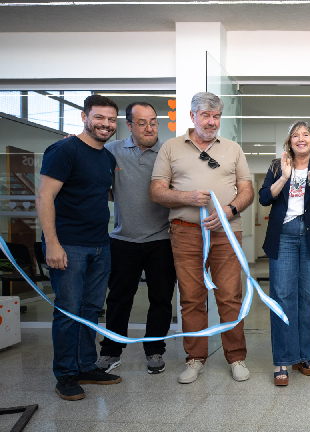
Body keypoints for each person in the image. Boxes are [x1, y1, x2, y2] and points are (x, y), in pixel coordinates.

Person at [150, 92, 255, 384]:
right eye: (206, 116)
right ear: (193, 116)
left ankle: (236, 358)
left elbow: (247, 190)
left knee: (230, 296)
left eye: (217, 116)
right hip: (185, 232)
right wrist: (186, 197)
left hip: (226, 232)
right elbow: (156, 191)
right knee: (191, 298)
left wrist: (230, 208)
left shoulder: (233, 149)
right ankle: (195, 359)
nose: (211, 122)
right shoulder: (171, 148)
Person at [36, 94, 122, 401]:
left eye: (111, 120)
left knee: (89, 310)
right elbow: (45, 197)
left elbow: (101, 194)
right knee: (68, 312)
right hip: (68, 245)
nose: (106, 124)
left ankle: (86, 365)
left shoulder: (107, 157)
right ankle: (66, 375)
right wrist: (53, 244)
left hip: (100, 244)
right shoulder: (64, 149)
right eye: (99, 117)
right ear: (84, 117)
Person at [95, 102, 177, 375]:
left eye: (153, 121)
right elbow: (98, 182)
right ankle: (110, 351)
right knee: (118, 299)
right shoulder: (112, 151)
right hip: (123, 239)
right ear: (129, 125)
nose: (150, 127)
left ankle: (154, 350)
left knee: (161, 299)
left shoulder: (167, 152)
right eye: (142, 123)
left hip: (162, 240)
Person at [259, 121, 310, 386]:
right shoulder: (276, 166)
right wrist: (283, 177)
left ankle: (304, 356)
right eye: (295, 135)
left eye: (305, 135)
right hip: (284, 237)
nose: (300, 139)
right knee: (282, 298)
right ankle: (282, 358)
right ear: (289, 142)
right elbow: (265, 198)